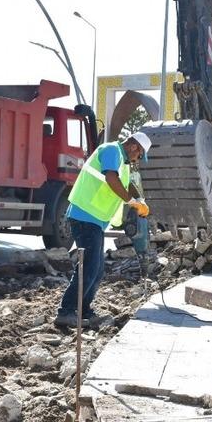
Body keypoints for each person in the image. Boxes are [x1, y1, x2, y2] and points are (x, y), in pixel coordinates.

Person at [54, 132, 151, 327]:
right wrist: (132, 202)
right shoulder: (111, 150)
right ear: (133, 147)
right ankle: (66, 311)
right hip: (84, 216)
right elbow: (111, 179)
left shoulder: (121, 162)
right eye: (139, 155)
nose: (137, 159)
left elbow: (126, 183)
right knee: (89, 267)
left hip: (95, 220)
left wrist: (140, 200)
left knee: (97, 270)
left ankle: (84, 311)